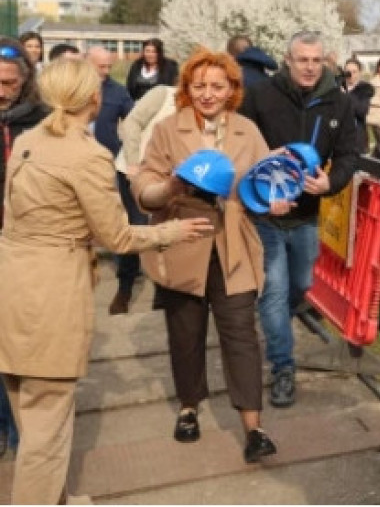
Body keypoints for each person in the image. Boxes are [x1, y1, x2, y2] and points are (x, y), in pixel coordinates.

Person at [0, 58, 210, 504]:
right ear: (94, 98)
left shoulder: (28, 141)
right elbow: (117, 236)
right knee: (46, 426)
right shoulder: (87, 156)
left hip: (11, 281)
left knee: (29, 411)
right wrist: (172, 231)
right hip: (51, 291)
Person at [133, 48, 281, 463]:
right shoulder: (167, 129)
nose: (208, 94)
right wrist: (170, 188)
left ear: (233, 89)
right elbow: (144, 186)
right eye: (199, 86)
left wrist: (273, 200)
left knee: (242, 335)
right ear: (187, 88)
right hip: (183, 241)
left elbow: (263, 182)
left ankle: (254, 428)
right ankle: (188, 407)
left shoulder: (247, 130)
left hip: (234, 246)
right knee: (186, 333)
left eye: (218, 86)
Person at [239, 31, 361, 408]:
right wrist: (262, 163)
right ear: (288, 61)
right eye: (302, 60)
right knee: (274, 291)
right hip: (265, 213)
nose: (309, 67)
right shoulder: (260, 95)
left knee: (302, 284)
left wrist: (330, 183)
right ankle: (283, 367)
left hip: (307, 214)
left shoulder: (339, 103)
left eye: (316, 60)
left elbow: (350, 154)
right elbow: (237, 146)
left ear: (324, 62)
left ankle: (275, 320)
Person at [0, 38, 46, 462]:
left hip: (29, 247)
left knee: (21, 342)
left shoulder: (43, 121)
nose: (1, 91)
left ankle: (21, 430)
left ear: (25, 81)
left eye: (9, 83)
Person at [87, 46, 142, 316]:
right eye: (101, 66)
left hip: (109, 164)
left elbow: (134, 123)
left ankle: (125, 280)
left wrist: (133, 158)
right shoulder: (70, 88)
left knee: (121, 218)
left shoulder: (118, 92)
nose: (106, 71)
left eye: (109, 66)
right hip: (76, 165)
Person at [126, 37, 179, 102]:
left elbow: (173, 89)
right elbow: (129, 88)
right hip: (138, 104)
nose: (150, 55)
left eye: (154, 52)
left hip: (160, 104)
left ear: (159, 53)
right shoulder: (136, 65)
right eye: (147, 51)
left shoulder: (170, 67)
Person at [341, 57, 375, 133]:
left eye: (354, 72)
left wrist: (346, 95)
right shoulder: (337, 87)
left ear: (359, 73)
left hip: (356, 132)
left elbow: (362, 112)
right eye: (348, 72)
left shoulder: (365, 88)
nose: (351, 75)